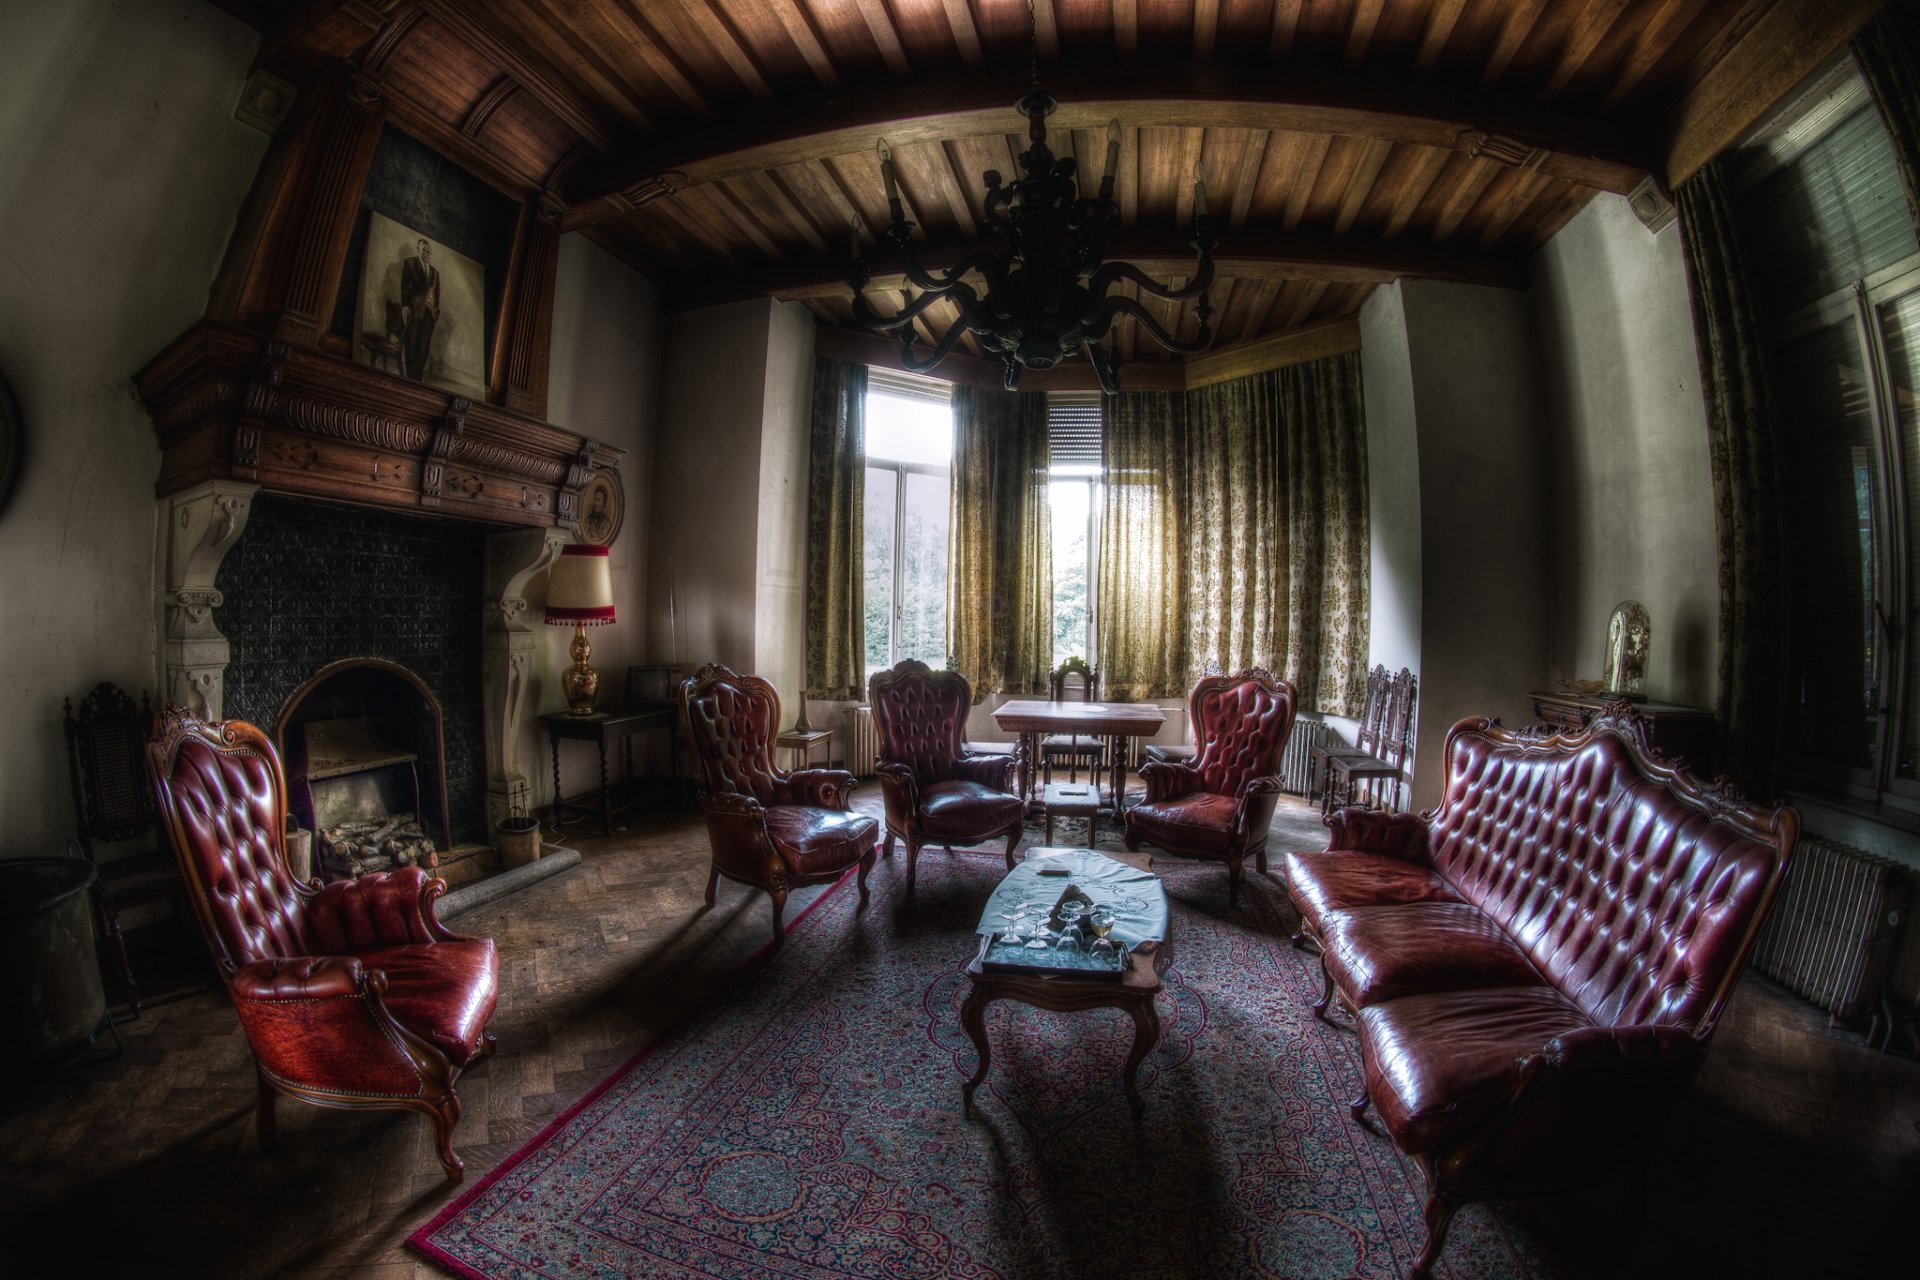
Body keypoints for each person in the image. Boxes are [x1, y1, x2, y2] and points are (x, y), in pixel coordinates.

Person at [400, 237, 440, 381]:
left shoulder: (435, 273)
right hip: (414, 310)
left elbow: (437, 294)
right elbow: (405, 286)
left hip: (429, 314)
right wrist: (405, 305)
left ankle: (417, 379)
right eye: (424, 250)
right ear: (418, 249)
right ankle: (410, 378)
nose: (426, 254)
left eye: (429, 252)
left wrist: (435, 312)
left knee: (423, 348)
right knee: (411, 344)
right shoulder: (410, 263)